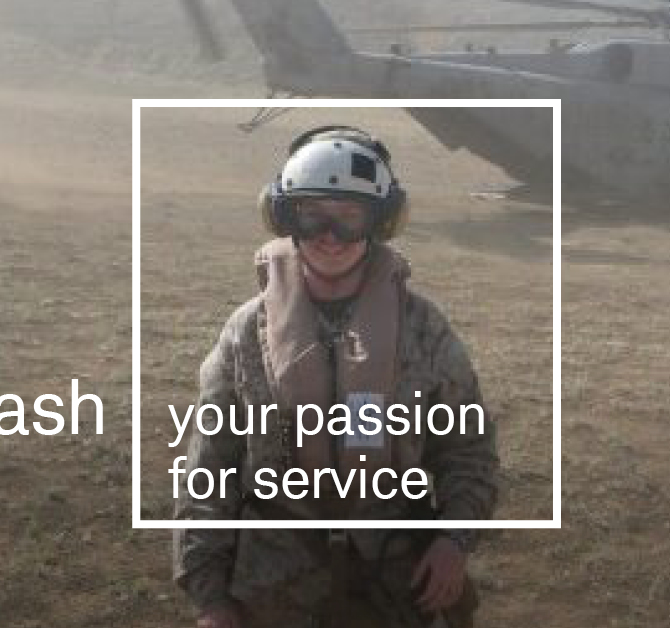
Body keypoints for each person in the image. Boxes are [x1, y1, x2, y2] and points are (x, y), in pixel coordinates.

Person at [173, 125, 499, 628]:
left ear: (380, 223)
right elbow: (209, 471)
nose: (331, 237)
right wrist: (210, 598)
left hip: (396, 582)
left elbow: (467, 452)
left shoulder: (422, 329)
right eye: (313, 215)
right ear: (283, 217)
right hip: (273, 586)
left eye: (351, 217)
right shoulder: (245, 334)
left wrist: (453, 541)